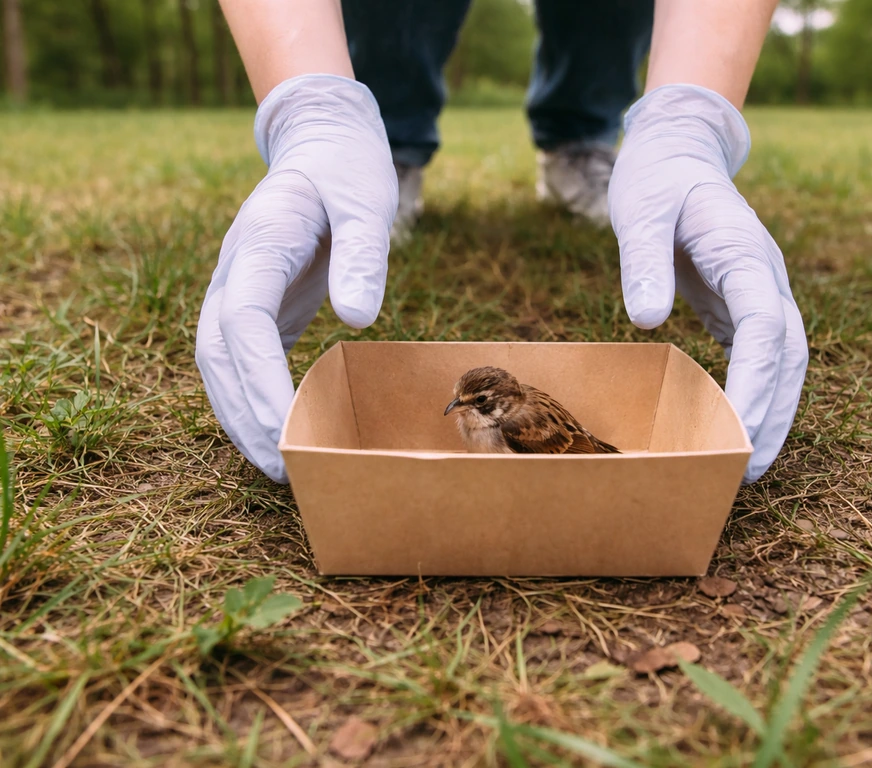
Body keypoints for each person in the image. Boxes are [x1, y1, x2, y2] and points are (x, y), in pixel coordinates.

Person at [195, 0, 808, 488]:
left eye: (473, 401)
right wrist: (309, 107)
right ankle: (390, 142)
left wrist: (691, 119)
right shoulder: (491, 414)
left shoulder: (519, 424)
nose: (456, 408)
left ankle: (581, 138)